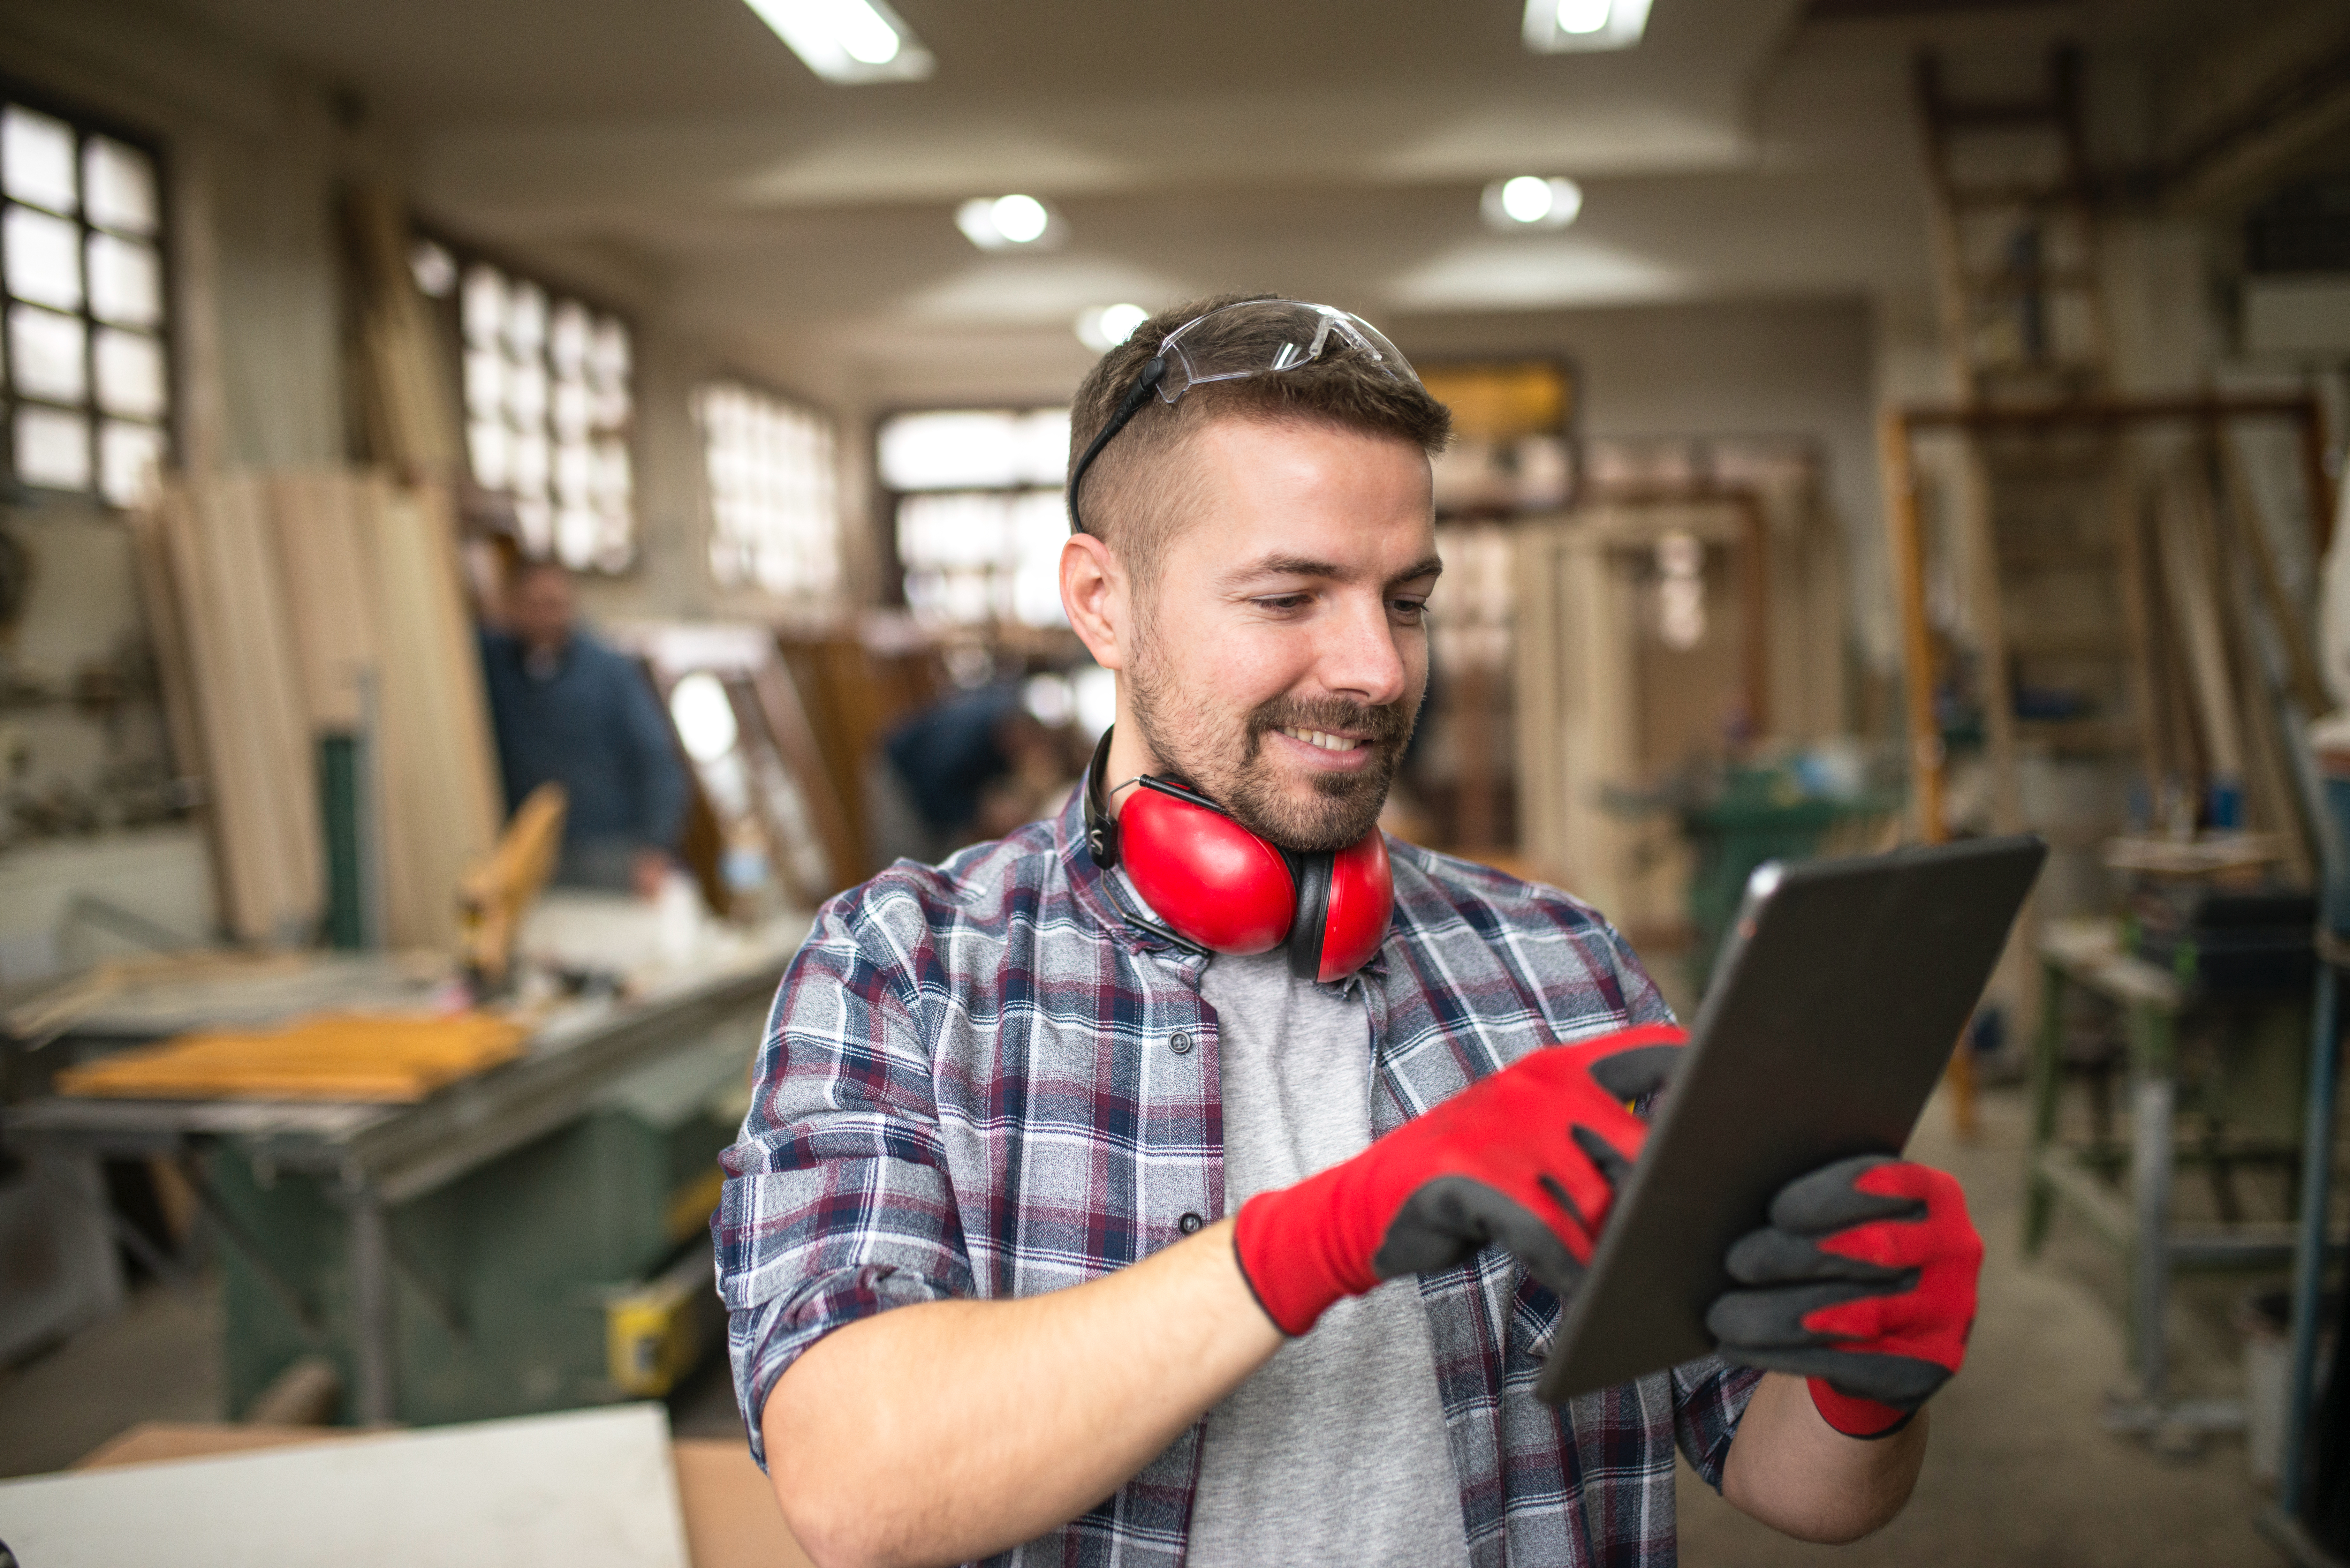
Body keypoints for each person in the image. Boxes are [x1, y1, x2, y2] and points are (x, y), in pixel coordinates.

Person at [716, 297, 1983, 1567]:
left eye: (1407, 599)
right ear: (1102, 602)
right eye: (1289, 596)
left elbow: (1793, 1478)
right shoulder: (905, 970)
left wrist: (1862, 1376)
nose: (1377, 668)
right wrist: (1321, 1232)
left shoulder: (1564, 967)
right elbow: (856, 1486)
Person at [478, 559, 685, 897]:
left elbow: (658, 761)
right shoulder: (495, 664)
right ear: (513, 607)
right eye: (533, 606)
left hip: (605, 850)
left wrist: (655, 847)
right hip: (525, 852)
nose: (545, 616)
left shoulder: (609, 672)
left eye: (555, 605)